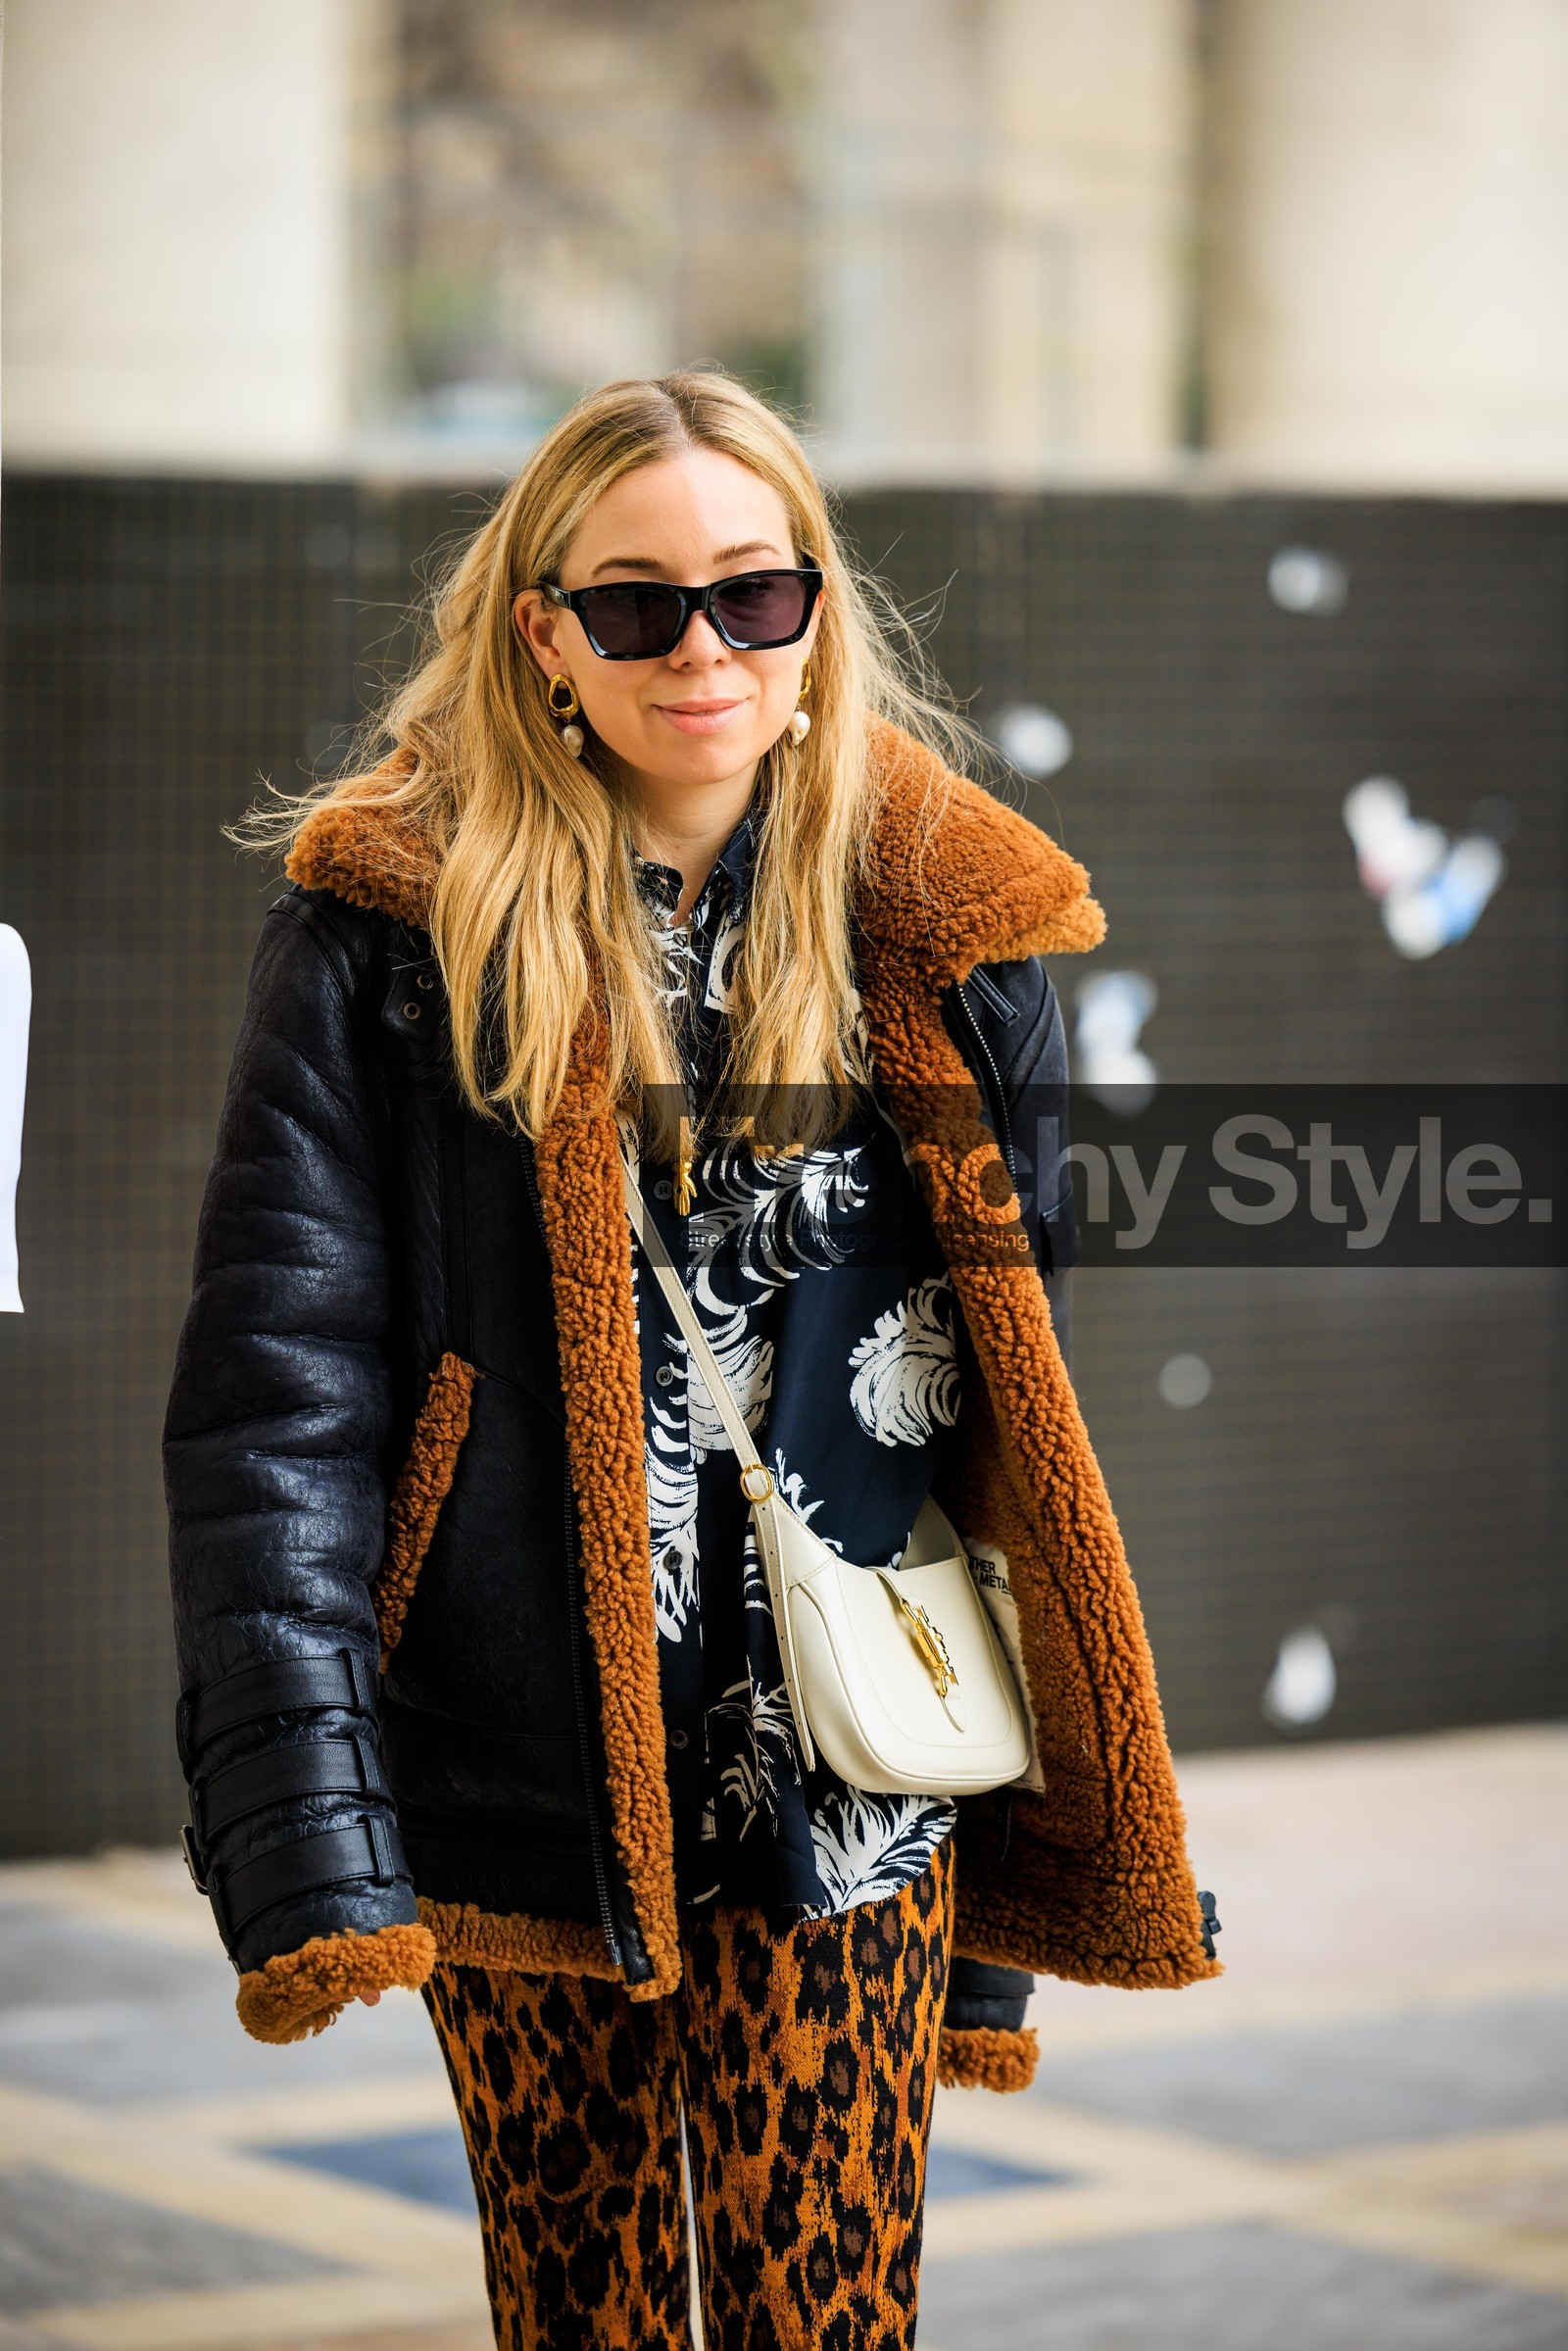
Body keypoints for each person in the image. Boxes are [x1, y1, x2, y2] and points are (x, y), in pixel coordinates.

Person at [166, 371, 1217, 2351]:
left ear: (816, 615)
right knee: (579, 2319)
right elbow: (277, 1401)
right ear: (543, 635)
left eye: (753, 591)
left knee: (826, 2325)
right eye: (635, 603)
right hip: (521, 1762)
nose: (703, 646)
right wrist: (315, 1829)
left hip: (848, 1785)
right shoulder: (391, 932)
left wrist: (1007, 1869)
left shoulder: (945, 929)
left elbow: (1007, 1417)